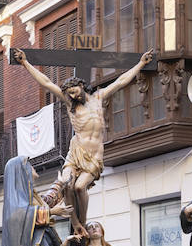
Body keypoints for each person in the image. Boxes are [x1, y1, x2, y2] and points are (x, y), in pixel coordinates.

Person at [13, 47, 154, 233]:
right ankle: (75, 224)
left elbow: (121, 81)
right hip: (76, 151)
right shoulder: (71, 104)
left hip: (94, 154)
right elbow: (47, 83)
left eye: (74, 91)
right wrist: (25, 63)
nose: (73, 95)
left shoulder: (99, 97)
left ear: (81, 86)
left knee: (79, 187)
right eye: (70, 93)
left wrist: (141, 64)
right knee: (67, 185)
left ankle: (83, 221)